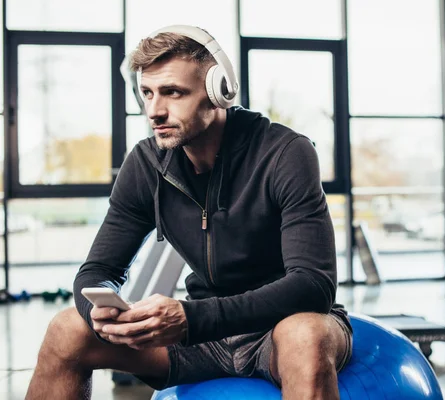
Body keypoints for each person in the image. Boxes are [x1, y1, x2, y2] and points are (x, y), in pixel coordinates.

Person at [25, 25, 352, 400]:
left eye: (172, 93)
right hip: (202, 340)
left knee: (305, 334)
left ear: (219, 93)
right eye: (147, 93)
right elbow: (98, 270)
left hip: (278, 326)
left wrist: (191, 319)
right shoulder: (147, 164)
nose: (154, 111)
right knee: (67, 328)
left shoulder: (285, 153)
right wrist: (101, 311)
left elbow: (314, 285)